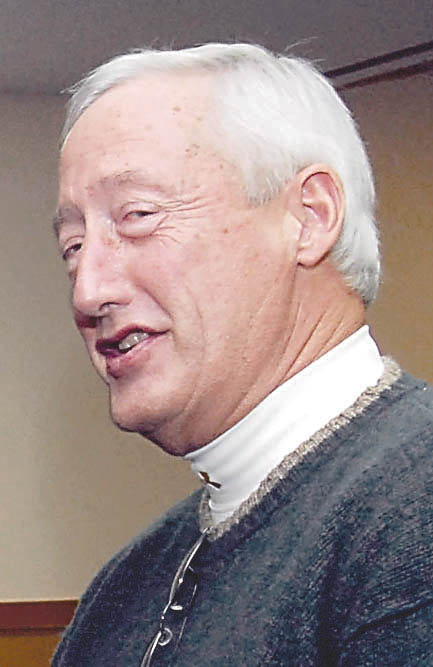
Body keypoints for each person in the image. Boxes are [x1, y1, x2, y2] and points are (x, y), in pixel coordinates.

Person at [52, 43, 433, 666]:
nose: (88, 291)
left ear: (309, 217)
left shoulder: (414, 515)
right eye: (72, 246)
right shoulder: (122, 592)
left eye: (139, 215)